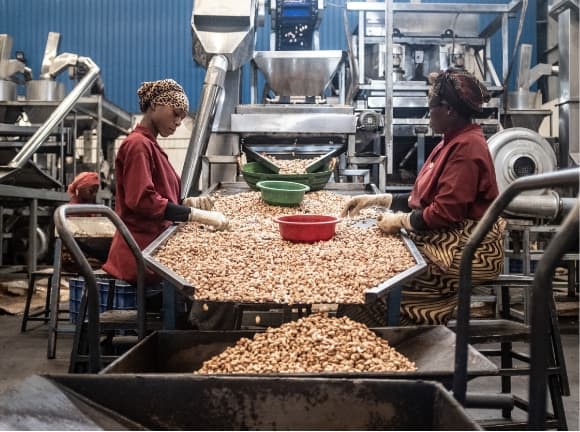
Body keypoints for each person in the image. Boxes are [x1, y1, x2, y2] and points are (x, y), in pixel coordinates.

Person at [339, 68, 506, 326]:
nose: (429, 113)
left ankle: (398, 338)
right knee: (373, 266)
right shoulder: (450, 142)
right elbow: (423, 197)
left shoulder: (468, 148)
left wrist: (400, 221)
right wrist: (376, 200)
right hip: (447, 236)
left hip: (471, 249)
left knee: (380, 277)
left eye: (432, 106)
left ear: (449, 110)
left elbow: (443, 213)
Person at [102, 79, 228, 317]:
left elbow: (159, 197)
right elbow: (142, 201)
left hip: (154, 247)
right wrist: (194, 215)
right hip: (143, 256)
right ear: (155, 106)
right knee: (212, 289)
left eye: (182, 116)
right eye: (176, 113)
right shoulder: (138, 145)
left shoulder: (149, 145)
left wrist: (185, 204)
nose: (179, 122)